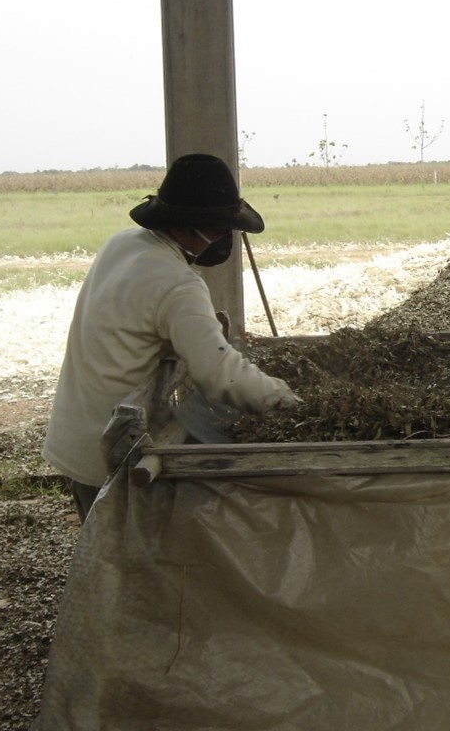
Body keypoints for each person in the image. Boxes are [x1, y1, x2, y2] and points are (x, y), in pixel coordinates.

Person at [43, 153, 300, 522]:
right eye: (216, 228)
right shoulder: (178, 285)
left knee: (104, 553)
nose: (221, 239)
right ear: (184, 228)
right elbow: (220, 373)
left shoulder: (122, 244)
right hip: (114, 451)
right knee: (129, 564)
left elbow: (138, 324)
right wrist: (285, 400)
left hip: (77, 432)